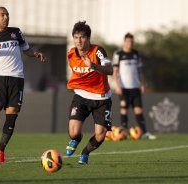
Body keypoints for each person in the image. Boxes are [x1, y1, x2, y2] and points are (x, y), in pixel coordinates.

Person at [0, 7, 46, 164]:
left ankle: (1, 150)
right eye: (2, 15)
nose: (6, 17)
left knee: (12, 113)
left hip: (16, 78)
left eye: (7, 15)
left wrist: (35, 54)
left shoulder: (16, 32)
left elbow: (26, 49)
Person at [65, 21, 113, 164]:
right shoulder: (71, 54)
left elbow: (110, 70)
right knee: (73, 132)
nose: (79, 41)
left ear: (88, 38)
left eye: (82, 37)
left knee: (100, 135)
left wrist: (93, 66)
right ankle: (76, 139)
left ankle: (85, 152)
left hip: (102, 98)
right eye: (76, 37)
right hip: (81, 96)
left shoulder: (98, 51)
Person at [112, 33, 156, 140]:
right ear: (124, 42)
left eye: (131, 41)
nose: (129, 43)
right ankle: (125, 133)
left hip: (135, 87)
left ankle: (145, 133)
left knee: (139, 111)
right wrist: (117, 86)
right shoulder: (118, 54)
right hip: (123, 88)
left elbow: (140, 71)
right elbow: (115, 71)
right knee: (124, 110)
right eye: (127, 41)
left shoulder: (136, 54)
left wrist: (142, 84)